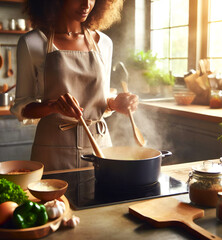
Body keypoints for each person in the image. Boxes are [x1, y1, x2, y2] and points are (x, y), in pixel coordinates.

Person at [11, 0, 138, 171]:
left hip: (99, 147)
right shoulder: (31, 42)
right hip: (53, 151)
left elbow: (101, 99)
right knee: (56, 199)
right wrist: (53, 106)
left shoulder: (104, 43)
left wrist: (114, 103)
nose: (87, 4)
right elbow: (22, 107)